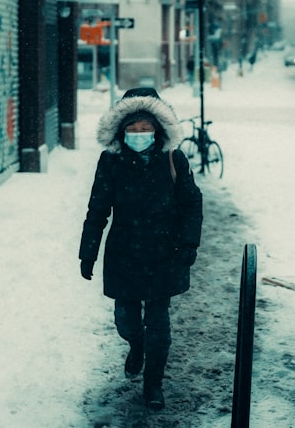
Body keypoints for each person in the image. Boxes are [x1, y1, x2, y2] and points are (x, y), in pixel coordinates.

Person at [78, 86, 203, 410]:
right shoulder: (111, 161)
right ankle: (136, 344)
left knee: (159, 323)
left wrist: (189, 243)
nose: (139, 134)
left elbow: (191, 203)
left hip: (165, 251)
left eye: (145, 128)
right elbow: (98, 208)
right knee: (126, 321)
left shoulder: (173, 158)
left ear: (157, 129)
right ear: (122, 131)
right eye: (132, 129)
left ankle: (153, 385)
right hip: (125, 253)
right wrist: (88, 251)